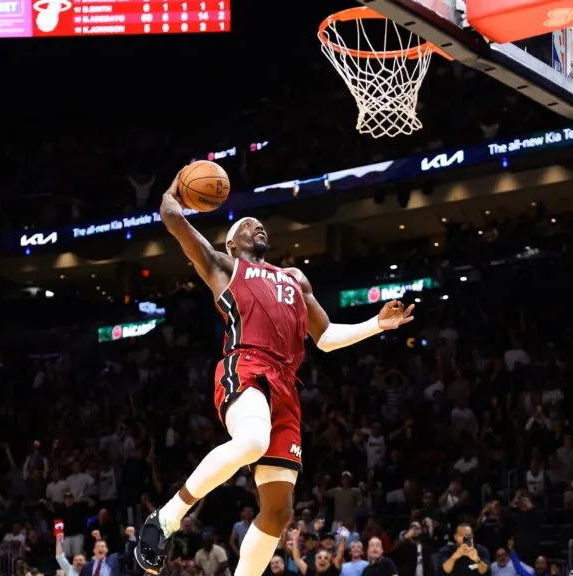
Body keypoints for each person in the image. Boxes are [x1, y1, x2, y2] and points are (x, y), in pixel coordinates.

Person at [135, 173, 415, 576]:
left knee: (279, 511)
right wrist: (175, 189)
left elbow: (327, 337)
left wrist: (377, 324)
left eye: (259, 224)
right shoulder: (222, 266)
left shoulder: (295, 279)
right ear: (232, 243)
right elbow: (172, 217)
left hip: (286, 384)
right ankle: (167, 517)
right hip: (245, 365)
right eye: (246, 226)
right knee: (251, 439)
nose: (256, 225)